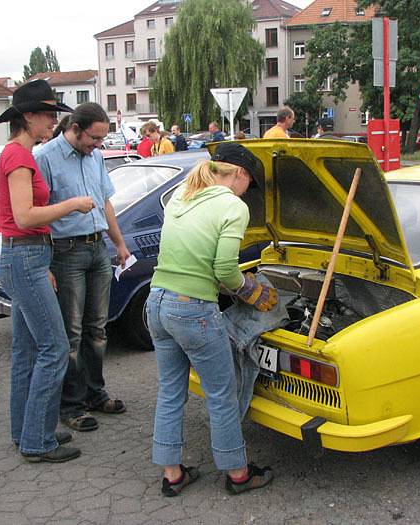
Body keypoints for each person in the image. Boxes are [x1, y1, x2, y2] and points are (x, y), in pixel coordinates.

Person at [147, 141, 276, 496]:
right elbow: (224, 270)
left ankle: (172, 474)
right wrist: (248, 289)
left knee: (171, 390)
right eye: (250, 183)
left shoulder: (182, 194)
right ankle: (238, 473)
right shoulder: (232, 206)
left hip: (157, 302)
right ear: (239, 174)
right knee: (222, 393)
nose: (248, 192)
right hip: (192, 308)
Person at [0, 79, 94, 462]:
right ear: (28, 116)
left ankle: (27, 432)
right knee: (53, 348)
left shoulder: (18, 154)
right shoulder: (18, 157)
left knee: (27, 350)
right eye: (49, 114)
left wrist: (42, 261)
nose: (53, 121)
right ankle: (37, 440)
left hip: (27, 257)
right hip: (24, 256)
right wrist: (71, 205)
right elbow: (24, 216)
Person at [34, 102, 130, 433]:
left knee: (97, 330)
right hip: (66, 253)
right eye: (95, 138)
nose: (99, 145)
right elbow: (37, 215)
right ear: (74, 129)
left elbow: (105, 202)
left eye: (103, 139)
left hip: (98, 249)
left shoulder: (96, 158)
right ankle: (71, 405)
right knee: (71, 335)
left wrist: (118, 243)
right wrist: (45, 263)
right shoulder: (44, 158)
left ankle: (95, 393)